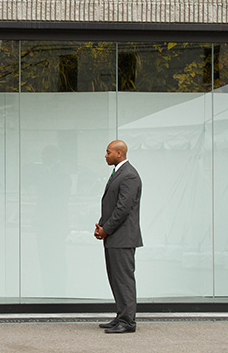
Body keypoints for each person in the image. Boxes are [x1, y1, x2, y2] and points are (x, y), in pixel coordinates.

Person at [95, 140, 143, 334]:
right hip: (114, 237)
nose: (105, 155)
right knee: (116, 279)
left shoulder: (129, 175)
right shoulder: (119, 173)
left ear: (119, 153)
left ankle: (128, 322)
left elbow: (123, 209)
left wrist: (106, 229)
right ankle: (121, 315)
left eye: (108, 152)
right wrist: (101, 226)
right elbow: (111, 204)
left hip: (123, 238)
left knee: (123, 279)